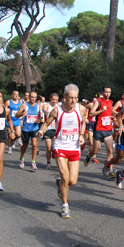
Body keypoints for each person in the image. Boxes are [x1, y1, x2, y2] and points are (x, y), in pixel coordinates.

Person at [38, 84, 87, 219]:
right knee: (65, 177)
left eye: (75, 98)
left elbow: (83, 122)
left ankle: (60, 184)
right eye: (70, 98)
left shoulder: (81, 109)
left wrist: (82, 135)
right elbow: (47, 123)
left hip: (74, 147)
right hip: (60, 146)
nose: (73, 101)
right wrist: (42, 130)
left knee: (72, 181)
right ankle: (65, 205)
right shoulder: (56, 110)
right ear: (64, 97)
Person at [85, 86, 114, 168]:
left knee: (110, 152)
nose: (107, 94)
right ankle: (89, 156)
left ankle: (110, 170)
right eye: (106, 92)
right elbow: (91, 113)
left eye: (109, 92)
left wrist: (111, 117)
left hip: (108, 130)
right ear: (102, 92)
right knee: (94, 150)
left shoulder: (111, 102)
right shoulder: (98, 102)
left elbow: (107, 114)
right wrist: (101, 111)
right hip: (98, 129)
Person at [16, 90, 42, 170]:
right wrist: (22, 114)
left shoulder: (38, 106)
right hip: (25, 129)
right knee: (25, 145)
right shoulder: (24, 105)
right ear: (29, 97)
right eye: (32, 97)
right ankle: (21, 159)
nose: (33, 99)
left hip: (34, 128)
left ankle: (33, 162)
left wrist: (39, 120)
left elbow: (39, 117)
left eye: (34, 97)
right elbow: (17, 115)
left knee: (34, 144)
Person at [41, 93, 60, 169]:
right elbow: (44, 109)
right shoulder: (47, 105)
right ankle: (48, 162)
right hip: (48, 129)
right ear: (50, 99)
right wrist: (46, 111)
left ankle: (59, 163)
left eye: (56, 100)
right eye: (53, 99)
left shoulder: (59, 107)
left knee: (56, 148)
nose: (54, 101)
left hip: (56, 129)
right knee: (49, 148)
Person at [5, 90, 23, 154]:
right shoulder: (8, 102)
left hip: (17, 120)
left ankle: (14, 141)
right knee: (10, 135)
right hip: (10, 120)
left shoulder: (20, 102)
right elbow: (5, 110)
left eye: (17, 94)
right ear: (12, 95)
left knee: (18, 134)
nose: (16, 96)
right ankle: (9, 148)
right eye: (15, 94)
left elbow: (23, 109)